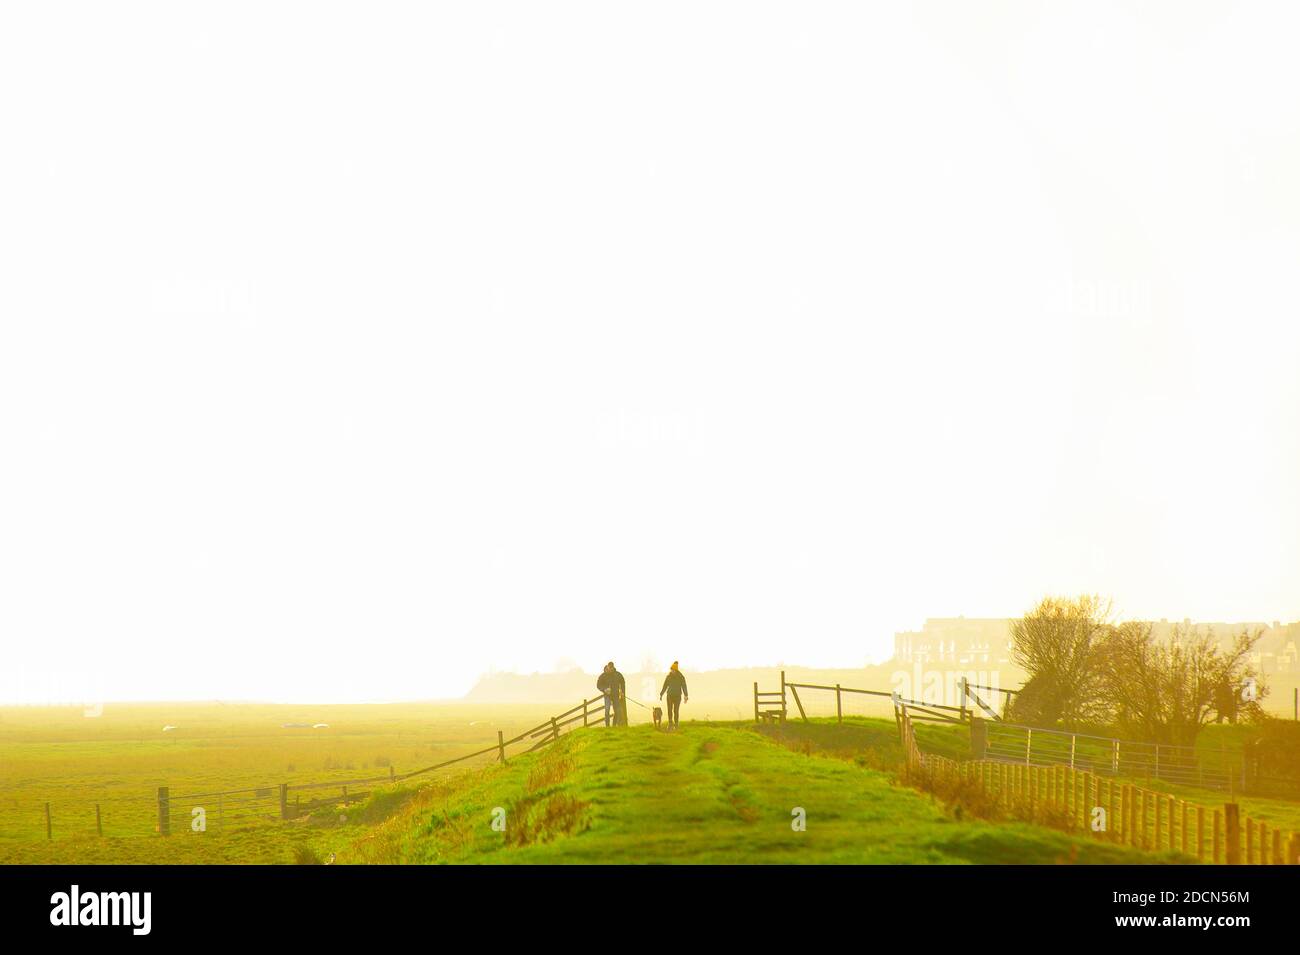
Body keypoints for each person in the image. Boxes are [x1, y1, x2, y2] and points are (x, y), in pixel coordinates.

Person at [659, 661, 688, 729]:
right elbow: (665, 686)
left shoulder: (681, 677)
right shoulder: (668, 677)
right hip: (669, 695)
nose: (672, 671)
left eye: (673, 669)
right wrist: (661, 694)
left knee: (676, 710)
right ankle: (670, 723)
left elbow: (684, 686)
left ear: (676, 670)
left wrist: (686, 695)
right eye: (671, 669)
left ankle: (676, 724)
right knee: (669, 710)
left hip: (677, 696)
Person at [596, 662, 625, 727]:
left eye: (611, 668)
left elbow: (622, 682)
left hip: (616, 695)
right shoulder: (603, 675)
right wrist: (604, 689)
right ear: (608, 667)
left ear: (613, 667)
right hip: (607, 696)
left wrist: (622, 691)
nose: (610, 669)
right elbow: (598, 685)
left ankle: (614, 725)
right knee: (607, 710)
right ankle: (607, 727)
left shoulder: (618, 674)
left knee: (617, 711)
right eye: (609, 668)